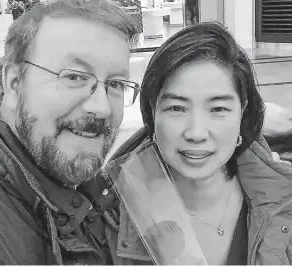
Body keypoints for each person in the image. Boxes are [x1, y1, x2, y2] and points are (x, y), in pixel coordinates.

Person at [0, 0, 140, 264]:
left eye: (115, 84)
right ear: (14, 83)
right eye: (74, 77)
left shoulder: (83, 185)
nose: (101, 108)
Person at [103, 22, 292, 265]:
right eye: (176, 108)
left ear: (242, 113)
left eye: (218, 108)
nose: (196, 132)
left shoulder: (282, 200)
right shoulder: (109, 212)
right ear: (152, 112)